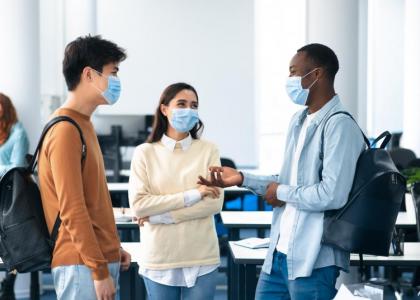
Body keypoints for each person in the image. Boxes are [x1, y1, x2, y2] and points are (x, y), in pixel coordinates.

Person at [199, 43, 366, 299]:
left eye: (294, 72)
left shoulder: (339, 126)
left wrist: (283, 192)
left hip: (314, 260)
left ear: (317, 74)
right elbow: (289, 181)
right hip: (279, 253)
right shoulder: (299, 121)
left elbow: (332, 194)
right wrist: (242, 178)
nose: (289, 80)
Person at [38, 35, 131, 300]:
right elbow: (72, 208)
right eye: (113, 73)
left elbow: (94, 201)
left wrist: (114, 247)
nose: (117, 82)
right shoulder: (66, 129)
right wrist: (99, 271)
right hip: (82, 264)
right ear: (89, 74)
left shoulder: (83, 124)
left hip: (95, 259)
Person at [129, 82, 224, 300]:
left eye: (194, 105)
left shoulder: (209, 150)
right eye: (181, 104)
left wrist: (160, 216)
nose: (189, 110)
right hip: (159, 255)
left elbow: (214, 204)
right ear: (164, 109)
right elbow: (139, 205)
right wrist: (195, 194)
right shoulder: (145, 153)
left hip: (201, 254)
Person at [0, 93, 29, 300]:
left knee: (13, 239)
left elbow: (17, 166)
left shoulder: (18, 133)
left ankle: (9, 280)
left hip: (10, 195)